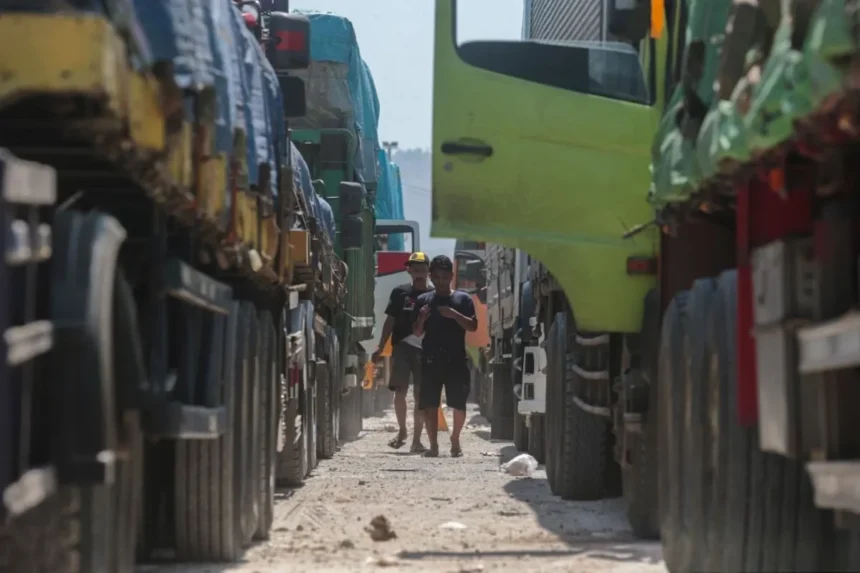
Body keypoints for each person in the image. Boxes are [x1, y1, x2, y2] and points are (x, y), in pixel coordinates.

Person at [412, 255, 478, 458]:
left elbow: (473, 326)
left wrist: (455, 315)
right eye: (437, 277)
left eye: (444, 277)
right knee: (430, 404)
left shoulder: (462, 299)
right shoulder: (424, 300)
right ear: (431, 277)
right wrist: (422, 318)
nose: (440, 281)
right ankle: (433, 446)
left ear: (451, 276)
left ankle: (455, 439)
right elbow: (416, 332)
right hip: (431, 359)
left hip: (456, 359)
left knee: (458, 403)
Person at [371, 251, 431, 453]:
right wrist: (381, 346)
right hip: (402, 348)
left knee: (421, 395)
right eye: (415, 269)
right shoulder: (400, 293)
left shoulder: (434, 296)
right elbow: (390, 321)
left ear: (428, 270)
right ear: (409, 270)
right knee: (400, 391)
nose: (419, 272)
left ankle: (416, 440)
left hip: (425, 350)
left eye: (423, 269)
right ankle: (403, 431)